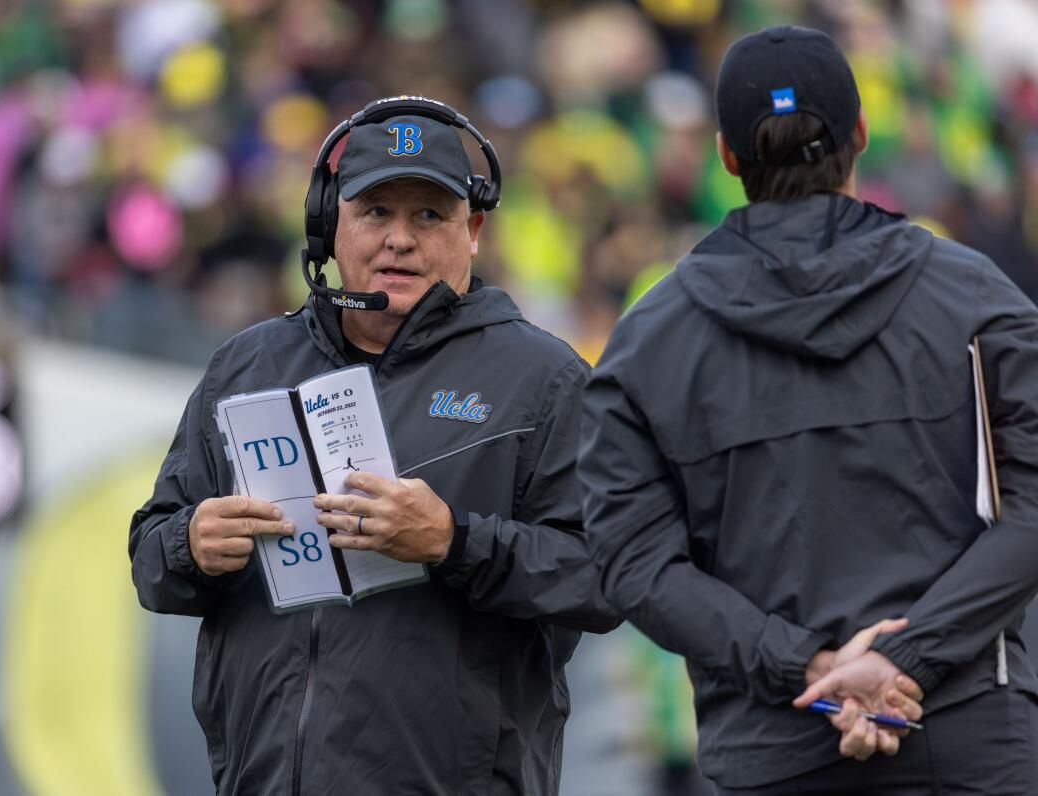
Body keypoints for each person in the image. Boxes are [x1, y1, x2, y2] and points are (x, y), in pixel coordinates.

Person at [580, 25, 1038, 795]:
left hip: (773, 747)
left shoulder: (648, 339)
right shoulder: (975, 295)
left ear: (727, 155)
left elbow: (634, 565)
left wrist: (814, 669)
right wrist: (902, 660)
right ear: (859, 133)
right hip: (969, 741)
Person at [129, 95, 617, 796]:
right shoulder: (245, 366)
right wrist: (189, 543)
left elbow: (608, 579)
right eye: (376, 212)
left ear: (472, 229)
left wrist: (454, 542)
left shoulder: (544, 380)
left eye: (429, 215)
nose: (400, 239)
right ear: (331, 226)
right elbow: (151, 559)